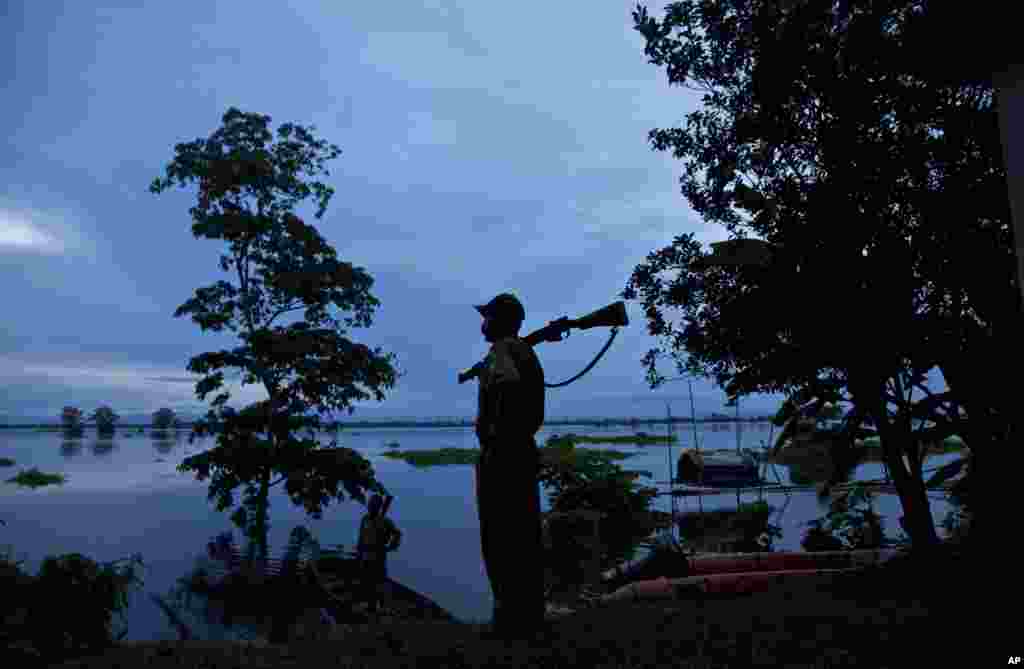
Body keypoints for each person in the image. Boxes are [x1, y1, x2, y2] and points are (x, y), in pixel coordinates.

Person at [472, 292, 547, 638]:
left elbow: (506, 391)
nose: (482, 323)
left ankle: (510, 619)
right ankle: (528, 617)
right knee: (523, 537)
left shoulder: (503, 351)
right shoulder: (523, 351)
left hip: (504, 456)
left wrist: (493, 438)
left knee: (502, 538)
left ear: (499, 321)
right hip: (520, 453)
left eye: (487, 316)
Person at [355, 493, 402, 617]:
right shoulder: (365, 519)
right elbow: (361, 538)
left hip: (378, 556)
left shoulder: (385, 521)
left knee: (378, 581)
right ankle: (370, 605)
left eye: (373, 504)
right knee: (366, 581)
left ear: (378, 506)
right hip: (365, 555)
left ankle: (381, 606)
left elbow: (397, 534)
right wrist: (359, 552)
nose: (370, 506)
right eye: (370, 504)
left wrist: (391, 546)